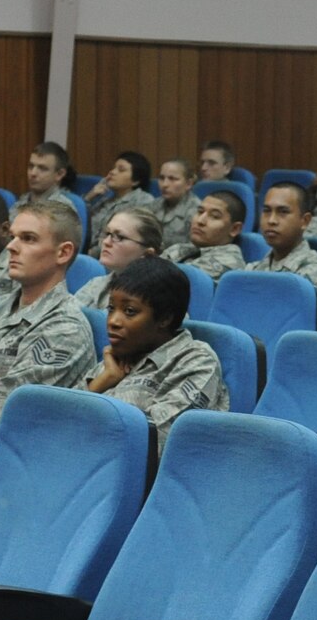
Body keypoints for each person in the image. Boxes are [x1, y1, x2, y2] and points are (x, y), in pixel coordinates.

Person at [0, 199, 95, 415]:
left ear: (63, 253)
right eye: (13, 237)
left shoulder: (66, 328)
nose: (11, 247)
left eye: (28, 239)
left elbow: (8, 403)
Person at [86, 257, 228, 444]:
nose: (113, 321)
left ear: (165, 318)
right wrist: (104, 380)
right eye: (111, 308)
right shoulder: (116, 356)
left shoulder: (196, 362)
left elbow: (156, 443)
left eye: (129, 311)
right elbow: (63, 419)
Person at [246, 181, 317, 301]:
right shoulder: (252, 269)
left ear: (305, 221)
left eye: (283, 212)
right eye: (267, 210)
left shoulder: (313, 272)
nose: (271, 220)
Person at [75, 207, 162, 310]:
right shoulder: (96, 283)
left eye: (120, 237)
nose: (106, 242)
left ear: (147, 254)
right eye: (107, 234)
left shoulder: (160, 297)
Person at [164, 190, 247, 280]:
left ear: (235, 229)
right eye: (200, 211)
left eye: (215, 216)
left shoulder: (228, 263)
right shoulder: (179, 248)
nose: (200, 221)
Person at [83, 150, 157, 236]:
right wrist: (89, 197)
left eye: (121, 170)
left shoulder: (143, 201)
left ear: (136, 180)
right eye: (113, 168)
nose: (112, 172)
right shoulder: (106, 199)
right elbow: (80, 223)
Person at [151, 157, 197, 250]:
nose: (165, 184)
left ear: (188, 183)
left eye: (172, 179)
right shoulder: (153, 205)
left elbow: (194, 249)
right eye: (161, 178)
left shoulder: (196, 211)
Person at [24, 141, 81, 213]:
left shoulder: (63, 209)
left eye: (42, 168)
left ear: (59, 174)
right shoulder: (20, 203)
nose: (33, 173)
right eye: (31, 166)